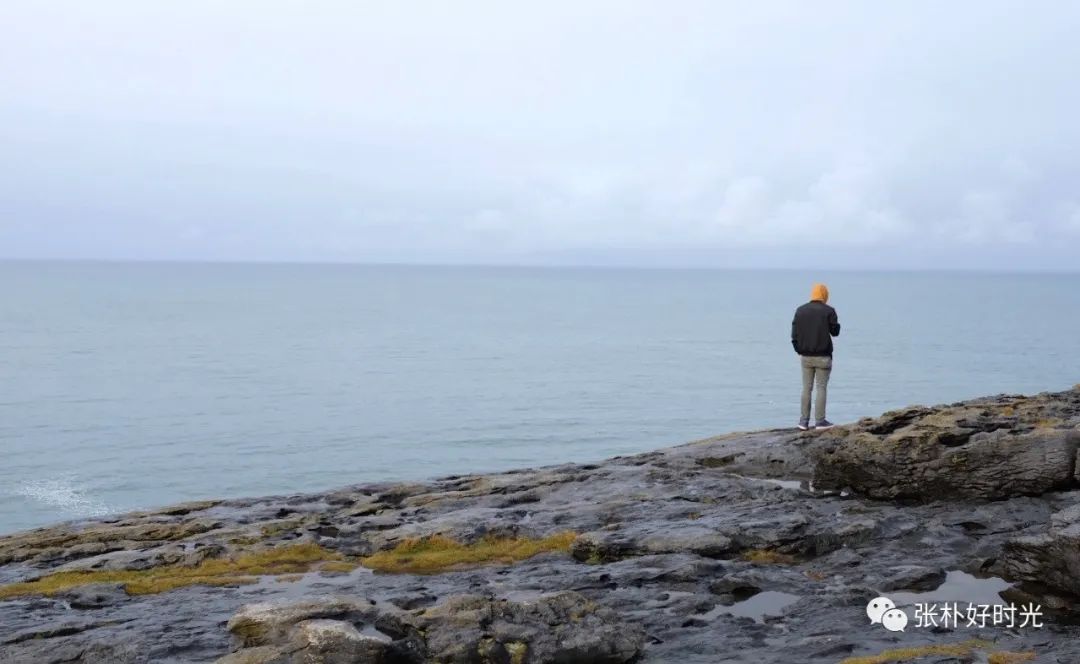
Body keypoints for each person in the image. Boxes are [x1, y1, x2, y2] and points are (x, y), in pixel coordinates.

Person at [791, 283, 840, 430]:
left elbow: (794, 335)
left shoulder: (800, 311)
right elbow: (835, 332)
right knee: (821, 388)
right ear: (824, 295)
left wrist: (799, 350)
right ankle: (820, 421)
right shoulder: (829, 311)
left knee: (806, 388)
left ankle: (803, 421)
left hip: (806, 357)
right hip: (823, 357)